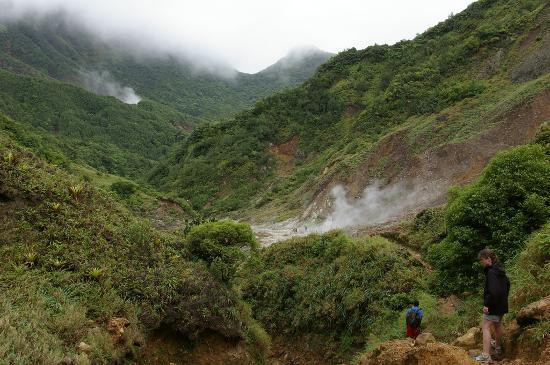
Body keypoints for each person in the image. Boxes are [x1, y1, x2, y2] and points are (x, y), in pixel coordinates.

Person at [475, 248, 510, 362]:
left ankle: (486, 355)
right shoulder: (501, 270)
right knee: (497, 325)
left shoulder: (491, 272)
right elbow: (507, 285)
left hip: (493, 305)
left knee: (485, 326)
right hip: (502, 304)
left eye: (482, 260)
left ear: (488, 259)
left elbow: (493, 291)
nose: (481, 263)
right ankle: (498, 348)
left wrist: (487, 304)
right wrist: (503, 299)